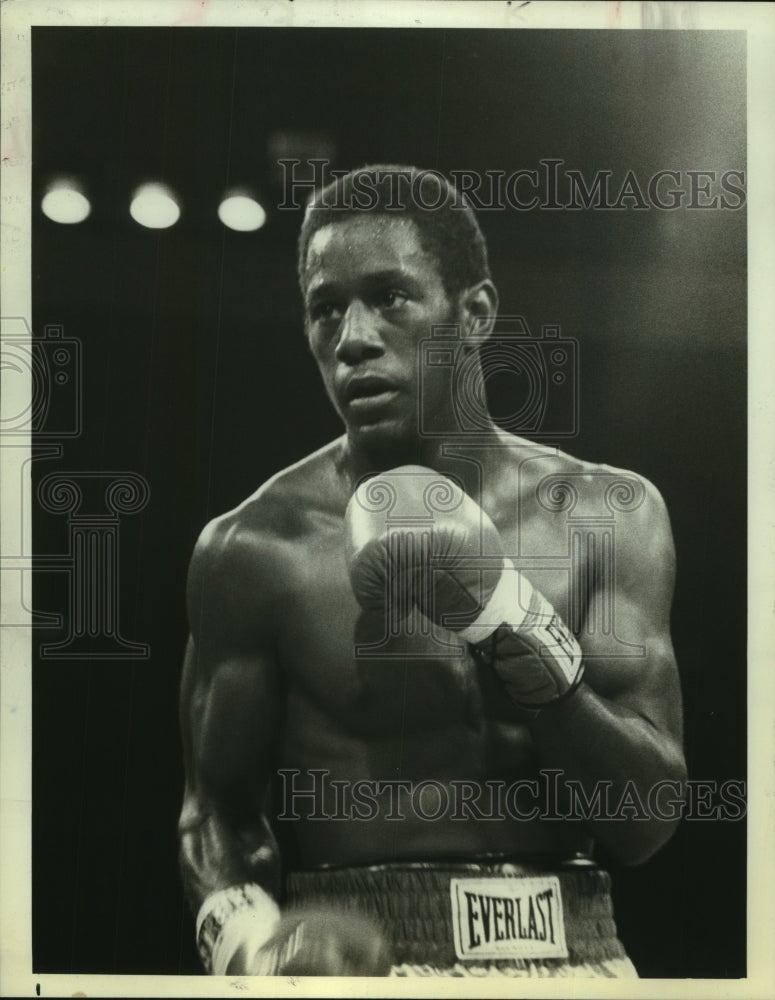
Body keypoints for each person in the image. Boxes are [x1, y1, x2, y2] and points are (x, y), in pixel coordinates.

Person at [177, 165, 687, 978]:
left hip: (579, 957)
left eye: (388, 297)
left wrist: (507, 618)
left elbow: (644, 820)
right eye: (324, 308)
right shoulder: (254, 549)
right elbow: (215, 819)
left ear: (473, 314)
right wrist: (251, 944)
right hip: (368, 964)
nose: (351, 338)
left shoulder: (602, 515)